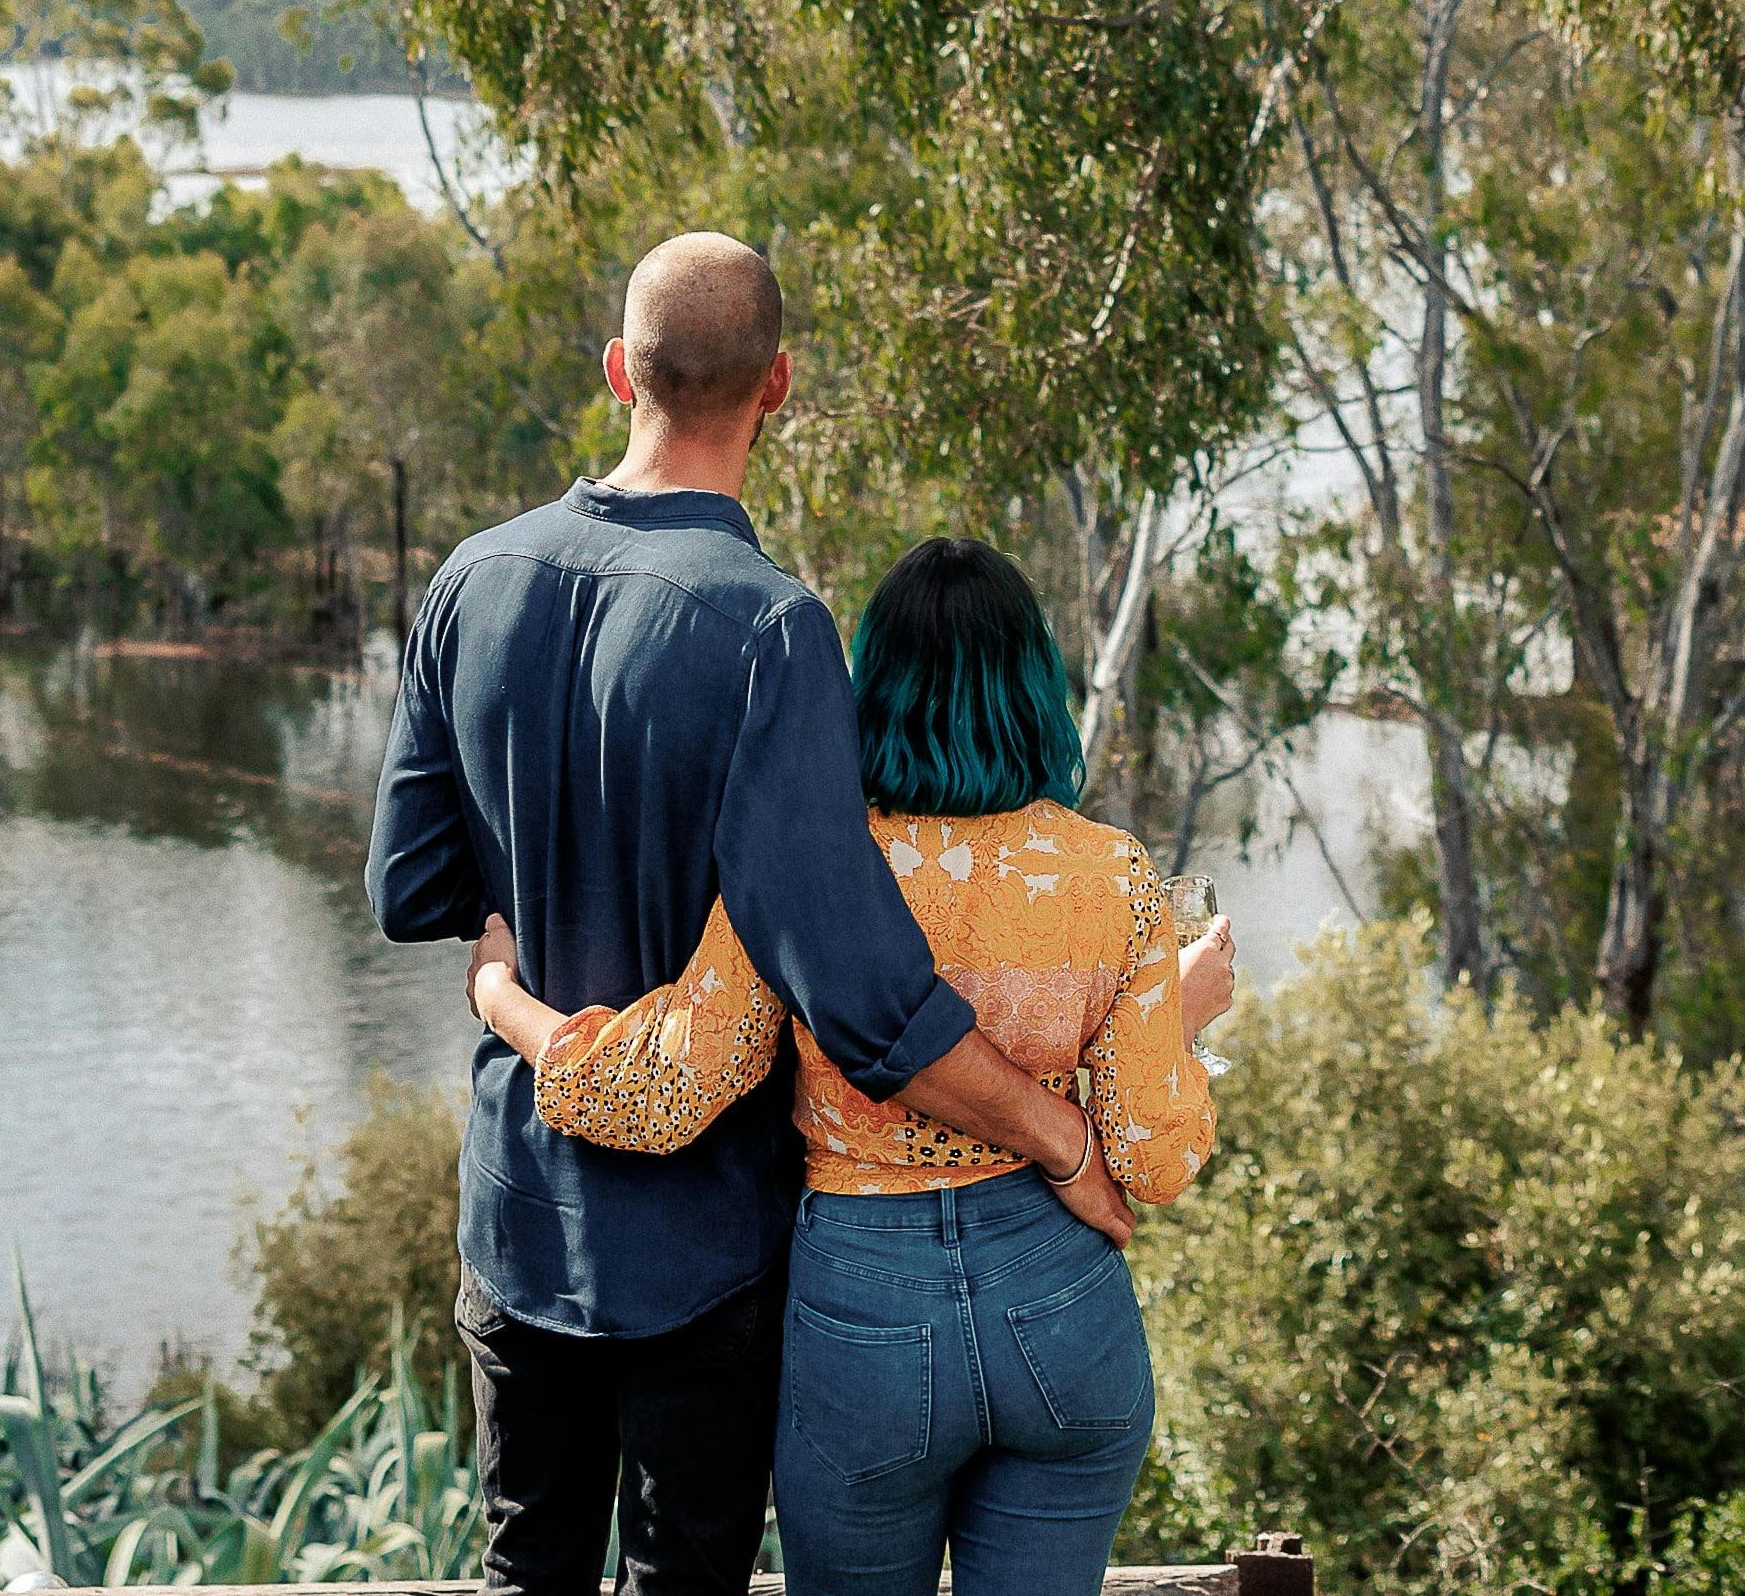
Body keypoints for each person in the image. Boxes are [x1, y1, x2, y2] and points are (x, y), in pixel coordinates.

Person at [369, 236, 1132, 1596]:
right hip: (704, 1248)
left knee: (519, 1571)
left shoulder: (469, 584)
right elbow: (862, 990)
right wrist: (1058, 1137)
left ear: (619, 372)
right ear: (777, 387)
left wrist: (515, 971)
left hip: (519, 1214)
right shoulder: (771, 631)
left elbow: (409, 889)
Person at [472, 536, 1235, 1596]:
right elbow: (1154, 1162)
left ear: (868, 689)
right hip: (1063, 1310)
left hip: (865, 1325)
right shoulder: (1116, 878)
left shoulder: (813, 867)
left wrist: (500, 997)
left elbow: (658, 1093)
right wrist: (1180, 1018)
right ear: (1036, 692)